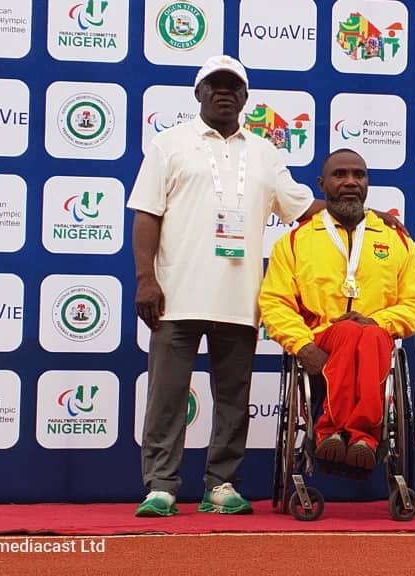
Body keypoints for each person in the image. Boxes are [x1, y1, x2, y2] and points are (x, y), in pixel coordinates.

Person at [127, 54, 322, 517]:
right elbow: (147, 214)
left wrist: (371, 216)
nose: (223, 93)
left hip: (240, 300)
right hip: (175, 296)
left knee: (234, 401)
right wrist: (145, 279)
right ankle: (161, 487)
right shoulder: (169, 144)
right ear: (198, 93)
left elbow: (301, 207)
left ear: (245, 98)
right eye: (214, 85)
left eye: (233, 87)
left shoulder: (265, 152)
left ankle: (221, 484)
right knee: (166, 397)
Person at [258, 149, 415, 470]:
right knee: (350, 331)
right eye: (340, 175)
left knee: (367, 333)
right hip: (320, 342)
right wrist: (303, 346)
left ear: (367, 183)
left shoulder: (399, 242)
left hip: (375, 342)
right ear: (322, 184)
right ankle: (359, 435)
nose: (350, 182)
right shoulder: (295, 242)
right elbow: (275, 303)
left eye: (358, 175)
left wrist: (376, 320)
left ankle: (338, 433)